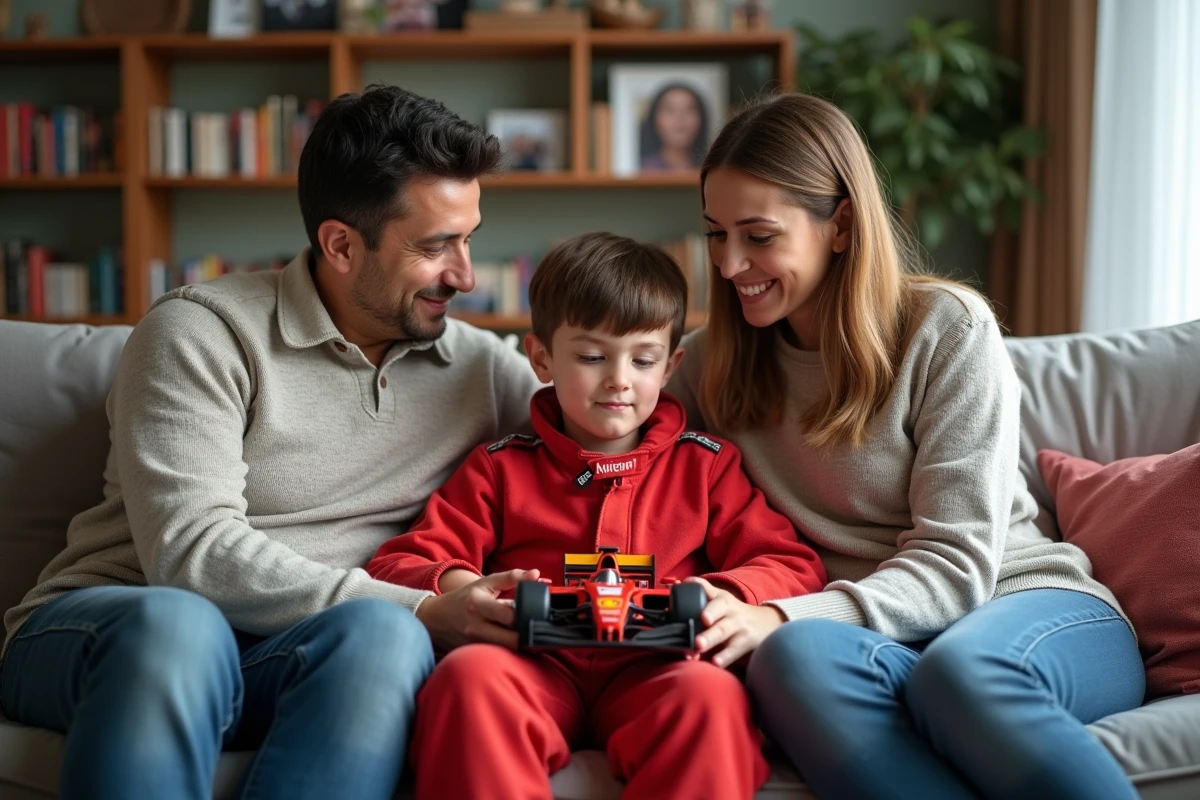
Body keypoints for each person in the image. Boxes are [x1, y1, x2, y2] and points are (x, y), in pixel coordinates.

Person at [0, 84, 543, 800]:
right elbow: (189, 554)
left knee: (384, 640)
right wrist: (413, 604)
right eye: (437, 246)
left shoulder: (479, 368)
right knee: (181, 629)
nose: (465, 275)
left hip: (288, 652)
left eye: (468, 238)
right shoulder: (202, 331)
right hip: (115, 625)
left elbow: (617, 434)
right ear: (341, 245)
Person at [667, 93, 1146, 800]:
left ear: (840, 223)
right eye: (714, 234)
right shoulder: (708, 366)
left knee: (958, 673)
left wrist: (778, 614)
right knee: (789, 656)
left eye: (759, 235)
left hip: (1025, 608)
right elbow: (623, 476)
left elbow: (957, 566)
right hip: (869, 641)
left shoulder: (945, 328)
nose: (732, 263)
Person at [366, 231, 827, 800]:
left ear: (670, 366)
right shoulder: (500, 466)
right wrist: (468, 590)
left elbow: (789, 562)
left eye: (643, 360)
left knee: (710, 700)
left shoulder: (706, 465)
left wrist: (724, 595)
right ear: (541, 358)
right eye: (590, 356)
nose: (618, 379)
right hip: (533, 664)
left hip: (658, 667)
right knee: (466, 683)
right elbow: (403, 561)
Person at [639, 83, 708, 172]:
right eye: (670, 110)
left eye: (689, 110)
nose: (680, 118)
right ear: (654, 118)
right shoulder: (641, 169)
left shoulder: (713, 168)